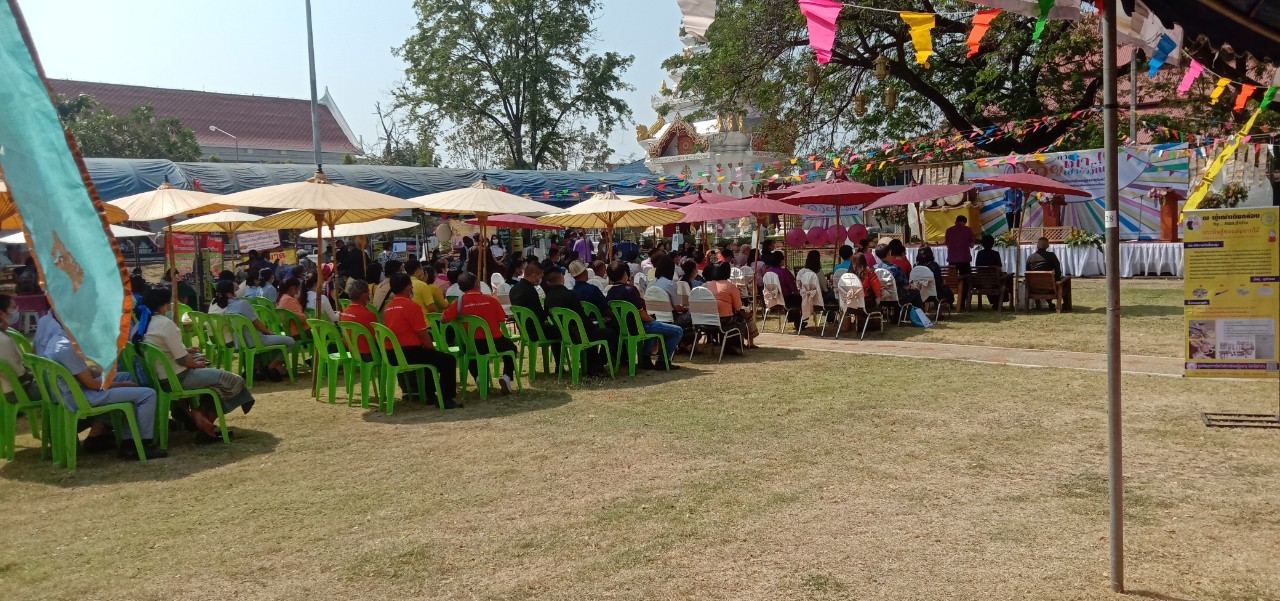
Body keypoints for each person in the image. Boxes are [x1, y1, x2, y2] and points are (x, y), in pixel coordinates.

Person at [136, 288, 256, 444]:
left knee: (214, 382)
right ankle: (204, 422)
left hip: (160, 377)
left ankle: (199, 415)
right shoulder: (165, 324)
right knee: (233, 380)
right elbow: (183, 361)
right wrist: (197, 363)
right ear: (163, 305)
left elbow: (161, 349)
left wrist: (187, 352)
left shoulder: (143, 324)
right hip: (179, 377)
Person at [43, 311, 166, 459]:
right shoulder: (67, 347)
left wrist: (104, 372)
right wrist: (122, 384)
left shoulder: (57, 340)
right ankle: (136, 445)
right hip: (81, 396)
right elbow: (92, 384)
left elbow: (80, 371)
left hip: (72, 391)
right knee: (147, 394)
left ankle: (128, 434)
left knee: (128, 375)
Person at [381, 273, 460, 408]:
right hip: (409, 353)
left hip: (391, 354)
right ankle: (446, 399)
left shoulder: (388, 308)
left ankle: (430, 395)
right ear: (408, 287)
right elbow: (423, 335)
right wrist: (433, 350)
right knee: (448, 360)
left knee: (428, 357)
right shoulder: (412, 306)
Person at [442, 273, 516, 393]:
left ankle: (478, 377)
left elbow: (443, 319)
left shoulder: (458, 303)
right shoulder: (491, 300)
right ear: (477, 283)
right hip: (495, 343)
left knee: (469, 353)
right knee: (511, 348)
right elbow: (502, 318)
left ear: (460, 288)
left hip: (472, 344)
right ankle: (506, 377)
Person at [605, 261, 682, 370]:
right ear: (625, 274)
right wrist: (652, 319)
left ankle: (646, 359)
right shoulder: (630, 290)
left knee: (652, 326)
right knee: (677, 331)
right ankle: (662, 361)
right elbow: (642, 314)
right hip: (637, 326)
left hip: (622, 327)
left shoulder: (610, 291)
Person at [208, 280, 292, 381]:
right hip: (255, 340)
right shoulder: (242, 303)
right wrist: (268, 331)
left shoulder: (224, 306)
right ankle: (272, 366)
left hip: (240, 341)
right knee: (290, 341)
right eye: (236, 289)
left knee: (271, 344)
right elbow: (256, 322)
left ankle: (260, 369)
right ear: (230, 292)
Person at [542, 269, 617, 376]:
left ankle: (592, 365)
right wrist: (593, 326)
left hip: (563, 334)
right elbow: (581, 317)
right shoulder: (570, 295)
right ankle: (598, 364)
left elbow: (548, 316)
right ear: (562, 278)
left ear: (548, 282)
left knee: (593, 333)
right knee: (611, 333)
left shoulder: (548, 298)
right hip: (578, 333)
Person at [705, 262, 760, 347]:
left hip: (707, 319)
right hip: (725, 319)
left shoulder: (706, 285)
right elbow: (738, 307)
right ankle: (749, 342)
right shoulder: (730, 286)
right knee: (747, 315)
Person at [1026, 236, 1072, 310]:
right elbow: (1058, 271)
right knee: (1065, 281)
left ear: (1037, 245)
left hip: (1034, 289)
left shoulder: (1030, 257)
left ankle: (1050, 304)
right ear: (1048, 245)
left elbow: (1027, 272)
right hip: (1050, 289)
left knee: (1044, 282)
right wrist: (1057, 281)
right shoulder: (1051, 255)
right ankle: (1066, 305)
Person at [339, 279, 379, 361]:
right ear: (364, 296)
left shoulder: (344, 313)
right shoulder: (368, 315)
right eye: (368, 292)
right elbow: (377, 337)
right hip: (369, 355)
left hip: (352, 352)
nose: (369, 294)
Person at [761, 251, 802, 326]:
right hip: (785, 298)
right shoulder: (784, 272)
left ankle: (794, 319)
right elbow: (792, 285)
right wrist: (797, 292)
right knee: (800, 299)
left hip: (771, 299)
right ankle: (799, 322)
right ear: (781, 261)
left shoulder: (767, 272)